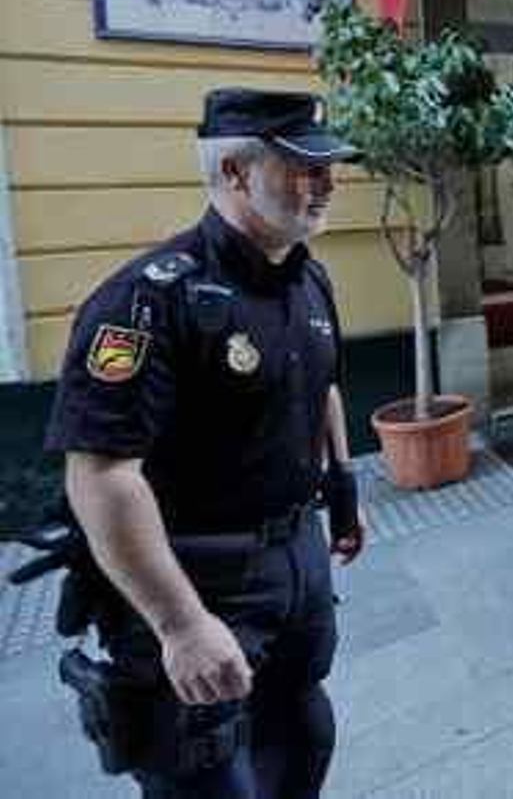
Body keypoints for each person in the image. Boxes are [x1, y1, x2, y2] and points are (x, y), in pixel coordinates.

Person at [44, 88, 367, 797]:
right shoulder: (144, 301)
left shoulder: (309, 280)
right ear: (234, 174)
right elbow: (100, 477)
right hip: (201, 576)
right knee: (207, 774)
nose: (326, 183)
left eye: (329, 167)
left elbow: (323, 387)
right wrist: (180, 624)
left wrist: (343, 490)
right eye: (304, 168)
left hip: (295, 563)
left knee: (303, 735)